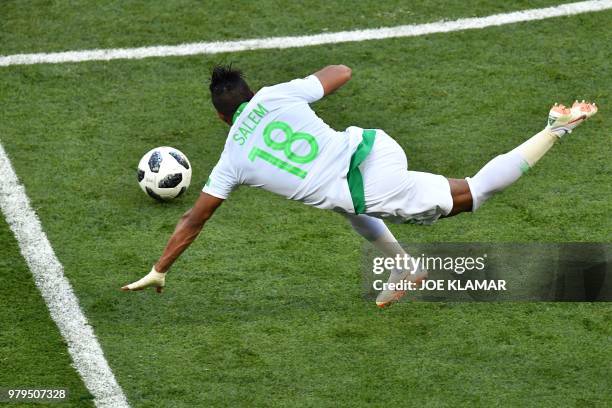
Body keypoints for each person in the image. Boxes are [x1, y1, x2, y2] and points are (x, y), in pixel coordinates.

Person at [121, 64, 598, 307]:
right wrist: (305, 89)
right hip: (373, 146)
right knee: (344, 205)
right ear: (248, 95)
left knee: (472, 194)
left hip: (371, 184)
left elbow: (194, 219)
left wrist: (161, 267)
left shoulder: (231, 160)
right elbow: (341, 73)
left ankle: (557, 127)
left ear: (222, 117)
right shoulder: (274, 95)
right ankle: (404, 268)